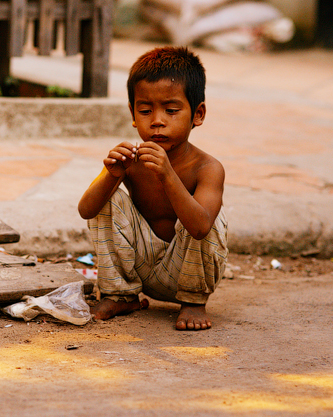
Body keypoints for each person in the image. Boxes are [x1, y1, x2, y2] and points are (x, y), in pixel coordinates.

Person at [78, 46, 228, 331]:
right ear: (133, 114)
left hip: (187, 271)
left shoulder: (207, 168)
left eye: (171, 111)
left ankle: (194, 301)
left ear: (198, 114)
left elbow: (199, 228)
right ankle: (121, 293)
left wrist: (167, 174)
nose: (157, 120)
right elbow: (86, 210)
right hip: (140, 269)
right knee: (107, 198)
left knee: (209, 217)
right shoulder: (131, 161)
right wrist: (111, 176)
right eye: (145, 110)